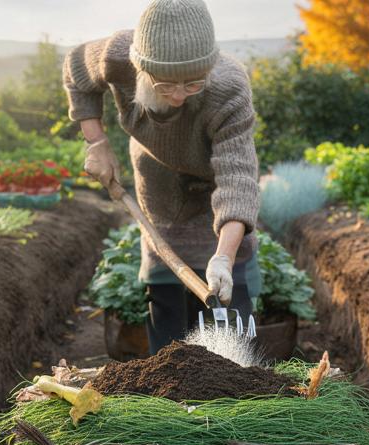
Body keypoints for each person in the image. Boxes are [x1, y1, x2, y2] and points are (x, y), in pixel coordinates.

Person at [63, 0, 260, 354]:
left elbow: (238, 180)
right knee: (166, 295)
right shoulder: (117, 56)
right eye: (166, 84)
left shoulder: (229, 90)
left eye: (194, 83)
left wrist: (223, 258)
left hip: (215, 188)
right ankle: (167, 385)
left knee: (231, 291)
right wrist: (98, 143)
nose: (180, 95)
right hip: (159, 187)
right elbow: (76, 70)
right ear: (141, 69)